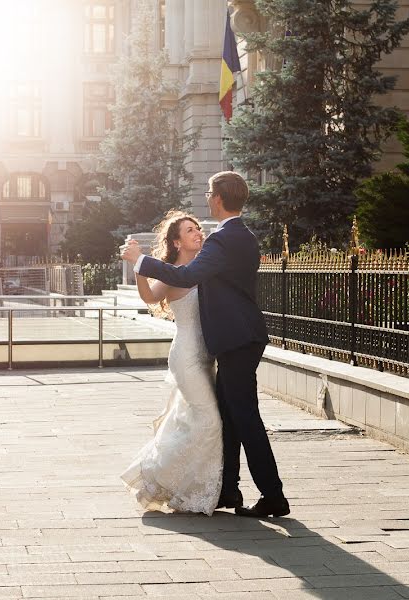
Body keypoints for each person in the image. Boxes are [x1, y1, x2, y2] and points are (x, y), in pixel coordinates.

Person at [120, 171, 288, 518]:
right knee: (228, 414)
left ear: (217, 198)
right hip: (237, 338)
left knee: (245, 418)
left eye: (209, 192)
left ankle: (273, 495)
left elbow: (185, 277)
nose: (207, 198)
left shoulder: (222, 240)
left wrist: (139, 260)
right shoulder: (242, 236)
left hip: (236, 340)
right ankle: (228, 489)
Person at [120, 211, 224, 515]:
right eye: (190, 230)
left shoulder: (207, 267)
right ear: (177, 242)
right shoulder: (171, 272)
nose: (198, 233)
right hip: (187, 357)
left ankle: (187, 486)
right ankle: (163, 479)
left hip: (209, 355)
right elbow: (150, 298)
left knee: (191, 420)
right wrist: (139, 269)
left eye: (198, 229)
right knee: (209, 419)